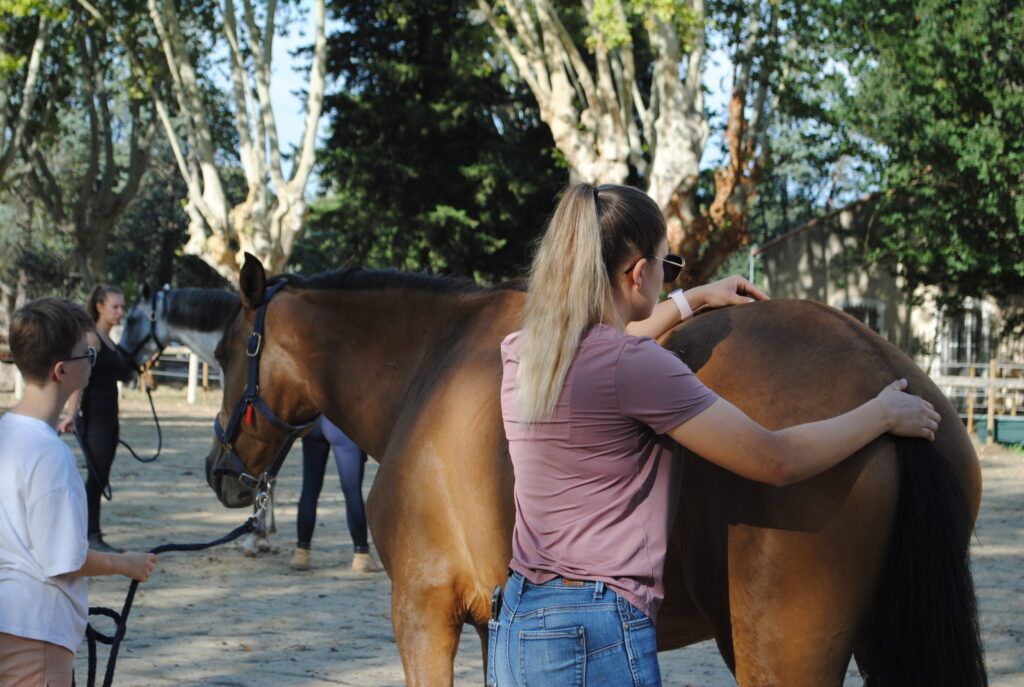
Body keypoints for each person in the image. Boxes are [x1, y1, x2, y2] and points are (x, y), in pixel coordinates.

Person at [489, 183, 941, 686]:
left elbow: (613, 338)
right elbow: (775, 459)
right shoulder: (634, 366)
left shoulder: (523, 352)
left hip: (520, 622)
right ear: (638, 272)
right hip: (594, 630)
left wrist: (693, 299)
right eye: (667, 266)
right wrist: (879, 415)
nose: (668, 278)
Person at [0, 298, 157, 687]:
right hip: (35, 631)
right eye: (87, 353)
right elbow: (64, 560)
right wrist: (125, 564)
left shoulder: (7, 432)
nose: (92, 359)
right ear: (62, 370)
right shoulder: (50, 454)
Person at [58, 284, 136, 553]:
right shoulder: (91, 338)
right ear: (100, 306)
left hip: (108, 418)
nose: (120, 311)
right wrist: (71, 413)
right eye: (115, 306)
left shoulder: (109, 340)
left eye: (123, 307)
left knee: (99, 477)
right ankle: (89, 535)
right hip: (92, 418)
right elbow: (78, 377)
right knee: (96, 477)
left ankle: (90, 533)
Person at [290, 416, 383, 573]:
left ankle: (301, 553)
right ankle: (361, 555)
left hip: (314, 422)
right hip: (341, 423)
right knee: (352, 490)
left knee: (309, 488)